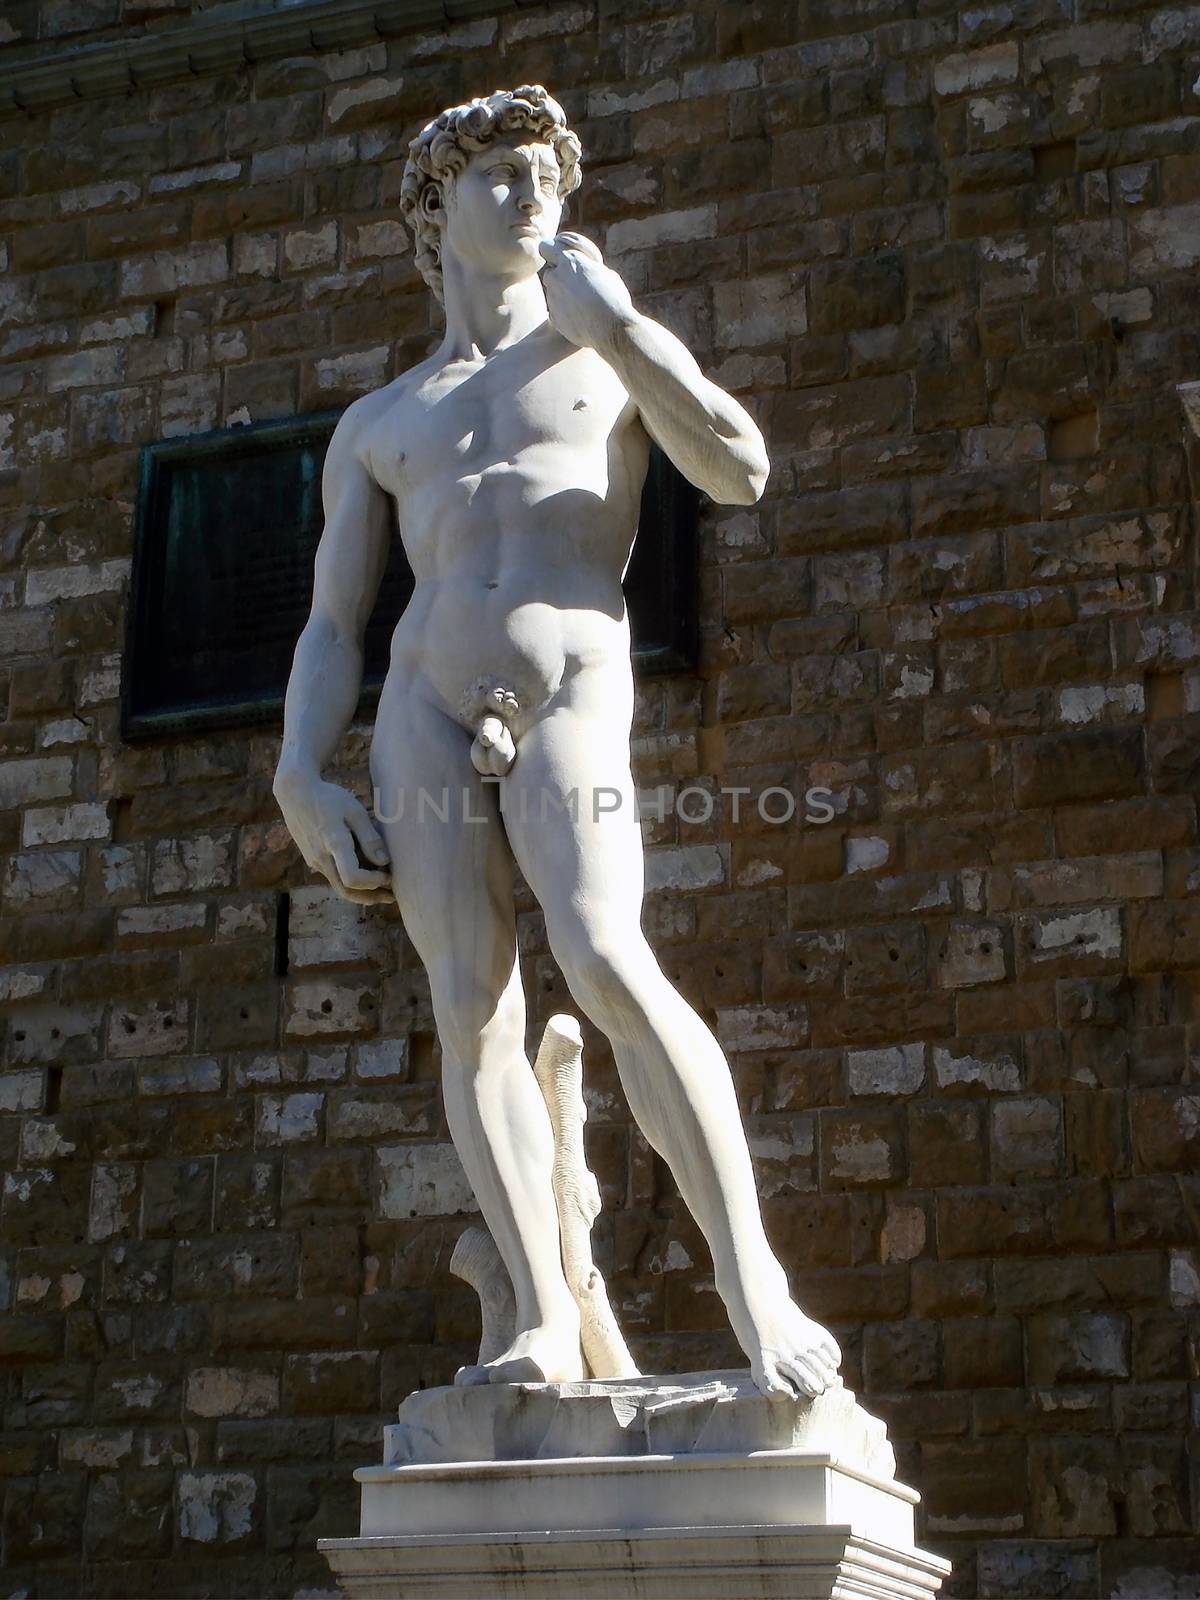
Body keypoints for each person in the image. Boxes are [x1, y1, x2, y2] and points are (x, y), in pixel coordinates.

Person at [273, 85, 841, 1400]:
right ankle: (538, 1308)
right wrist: (299, 770)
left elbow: (740, 469)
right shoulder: (382, 423)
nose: (536, 200)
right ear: (437, 210)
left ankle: (755, 1285)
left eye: (549, 179)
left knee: (603, 956)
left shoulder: (599, 357)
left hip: (568, 689)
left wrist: (626, 330)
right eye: (505, 178)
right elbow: (333, 619)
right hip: (420, 709)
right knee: (468, 1007)